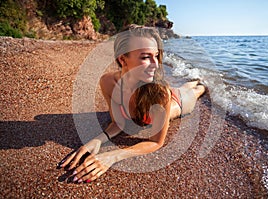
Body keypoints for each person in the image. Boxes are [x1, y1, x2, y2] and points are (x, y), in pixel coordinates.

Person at [59, 24, 205, 183]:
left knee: (195, 91)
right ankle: (193, 82)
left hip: (177, 103)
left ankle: (201, 83)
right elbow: (118, 122)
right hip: (167, 92)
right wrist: (97, 140)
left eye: (156, 55)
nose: (156, 64)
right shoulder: (108, 82)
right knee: (183, 87)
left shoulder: (161, 94)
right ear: (122, 59)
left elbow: (156, 142)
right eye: (145, 57)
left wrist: (112, 156)